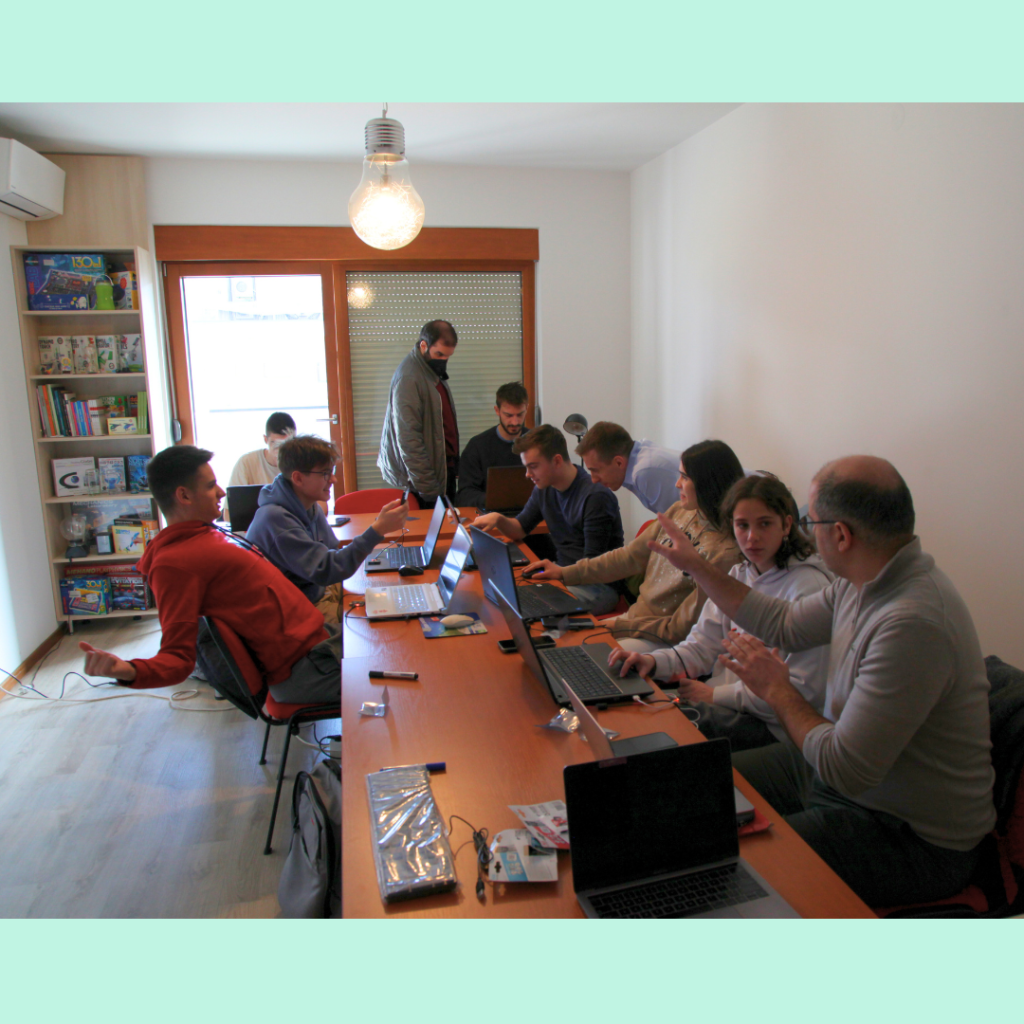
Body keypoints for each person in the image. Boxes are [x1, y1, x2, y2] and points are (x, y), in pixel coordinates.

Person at [647, 455, 996, 906]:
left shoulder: (912, 622)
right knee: (703, 788)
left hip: (909, 836)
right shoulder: (860, 581)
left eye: (810, 522)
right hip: (844, 783)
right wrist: (698, 566)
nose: (806, 533)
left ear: (841, 535)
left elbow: (845, 769)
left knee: (729, 868)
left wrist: (777, 689)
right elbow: (783, 623)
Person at [78, 445, 343, 704]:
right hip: (306, 670)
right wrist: (127, 670)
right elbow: (178, 657)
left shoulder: (204, 534)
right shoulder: (174, 565)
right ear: (184, 496)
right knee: (372, 675)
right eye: (210, 486)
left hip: (317, 645)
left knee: (370, 633)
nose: (220, 492)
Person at [609, 473, 832, 750]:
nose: (752, 537)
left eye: (764, 524)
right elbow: (699, 648)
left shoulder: (809, 588)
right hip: (720, 701)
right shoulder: (738, 575)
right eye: (742, 525)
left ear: (786, 525)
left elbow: (802, 695)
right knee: (627, 715)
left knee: (653, 739)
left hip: (772, 725)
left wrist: (716, 695)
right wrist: (651, 662)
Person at [521, 440, 744, 645]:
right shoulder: (678, 511)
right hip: (634, 619)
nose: (677, 484)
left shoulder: (725, 553)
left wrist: (617, 626)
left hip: (659, 638)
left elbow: (680, 628)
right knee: (549, 640)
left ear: (707, 483)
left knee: (574, 653)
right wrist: (564, 573)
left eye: (685, 477)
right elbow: (627, 557)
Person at [245, 435, 407, 625]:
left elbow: (332, 552)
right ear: (298, 478)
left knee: (390, 596)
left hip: (317, 591)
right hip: (296, 611)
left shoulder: (308, 505)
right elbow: (327, 570)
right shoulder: (275, 519)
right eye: (325, 474)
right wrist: (377, 530)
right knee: (373, 626)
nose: (333, 479)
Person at [472, 424, 624, 614]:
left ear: (557, 460)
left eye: (533, 466)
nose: (528, 475)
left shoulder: (595, 497)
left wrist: (558, 575)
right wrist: (498, 519)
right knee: (508, 596)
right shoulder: (544, 489)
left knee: (524, 606)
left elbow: (592, 568)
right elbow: (519, 528)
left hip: (598, 586)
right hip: (565, 573)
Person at [378, 319, 459, 506]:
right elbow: (409, 440)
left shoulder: (429, 369)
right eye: (439, 354)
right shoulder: (409, 378)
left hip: (439, 470)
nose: (443, 360)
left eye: (448, 356)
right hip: (423, 481)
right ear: (424, 346)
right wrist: (429, 489)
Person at [575, 421, 680, 515]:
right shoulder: (638, 454)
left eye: (596, 470)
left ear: (619, 463)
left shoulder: (645, 472)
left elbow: (680, 523)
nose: (594, 480)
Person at [456, 381, 530, 509]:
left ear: (527, 409)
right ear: (497, 410)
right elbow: (464, 494)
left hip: (531, 512)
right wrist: (494, 499)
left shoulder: (538, 444)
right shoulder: (477, 447)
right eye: (508, 415)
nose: (515, 422)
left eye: (520, 414)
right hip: (489, 513)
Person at [227, 411, 296, 488]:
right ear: (266, 439)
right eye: (276, 445)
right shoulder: (246, 463)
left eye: (287, 444)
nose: (281, 451)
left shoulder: (301, 463)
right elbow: (235, 494)